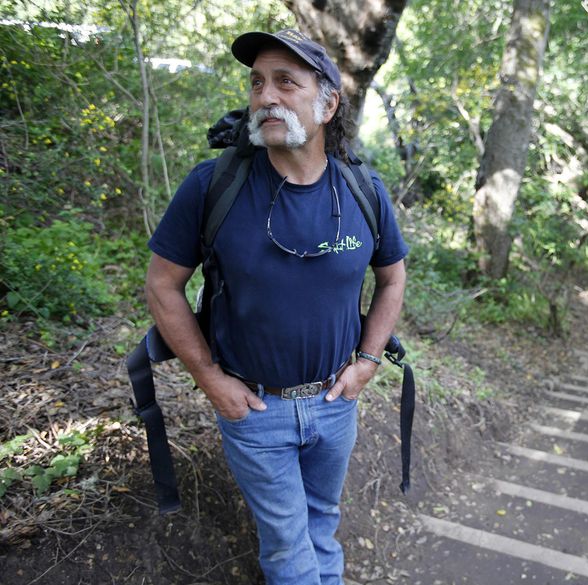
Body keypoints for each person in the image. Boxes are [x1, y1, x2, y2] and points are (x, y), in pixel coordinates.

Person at [144, 28, 408, 585]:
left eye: (286, 82)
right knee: (288, 546)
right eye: (257, 83)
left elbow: (391, 279)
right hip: (256, 411)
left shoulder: (363, 188)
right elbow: (163, 285)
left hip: (336, 404)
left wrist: (367, 361)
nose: (266, 96)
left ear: (328, 101)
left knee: (322, 525)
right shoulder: (213, 186)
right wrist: (209, 378)